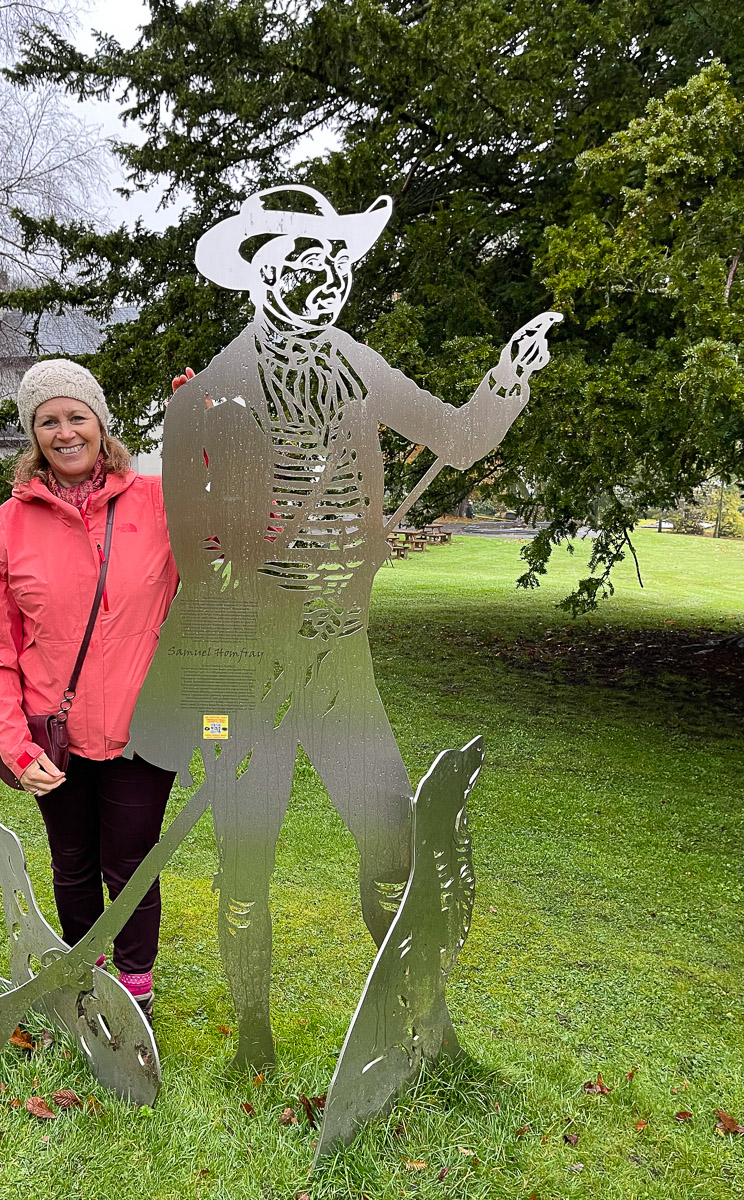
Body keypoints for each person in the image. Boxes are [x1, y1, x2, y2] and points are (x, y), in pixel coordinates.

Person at [127, 185, 561, 1066]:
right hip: (243, 665)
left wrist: (508, 376)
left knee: (393, 843)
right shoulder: (205, 398)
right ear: (261, 277)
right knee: (246, 859)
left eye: (337, 264)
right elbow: (194, 549)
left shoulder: (358, 365)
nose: (327, 279)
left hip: (339, 655)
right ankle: (253, 1040)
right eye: (305, 264)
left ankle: (420, 1026)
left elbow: (457, 437)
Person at [0, 359, 179, 1022]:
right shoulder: (11, 522)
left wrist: (205, 429)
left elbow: (242, 526)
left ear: (100, 423)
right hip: (51, 737)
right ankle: (85, 981)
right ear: (34, 435)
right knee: (72, 863)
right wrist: (15, 746)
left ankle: (136, 991)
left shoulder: (159, 502)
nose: (65, 432)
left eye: (76, 416)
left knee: (132, 864)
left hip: (143, 730)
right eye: (48, 421)